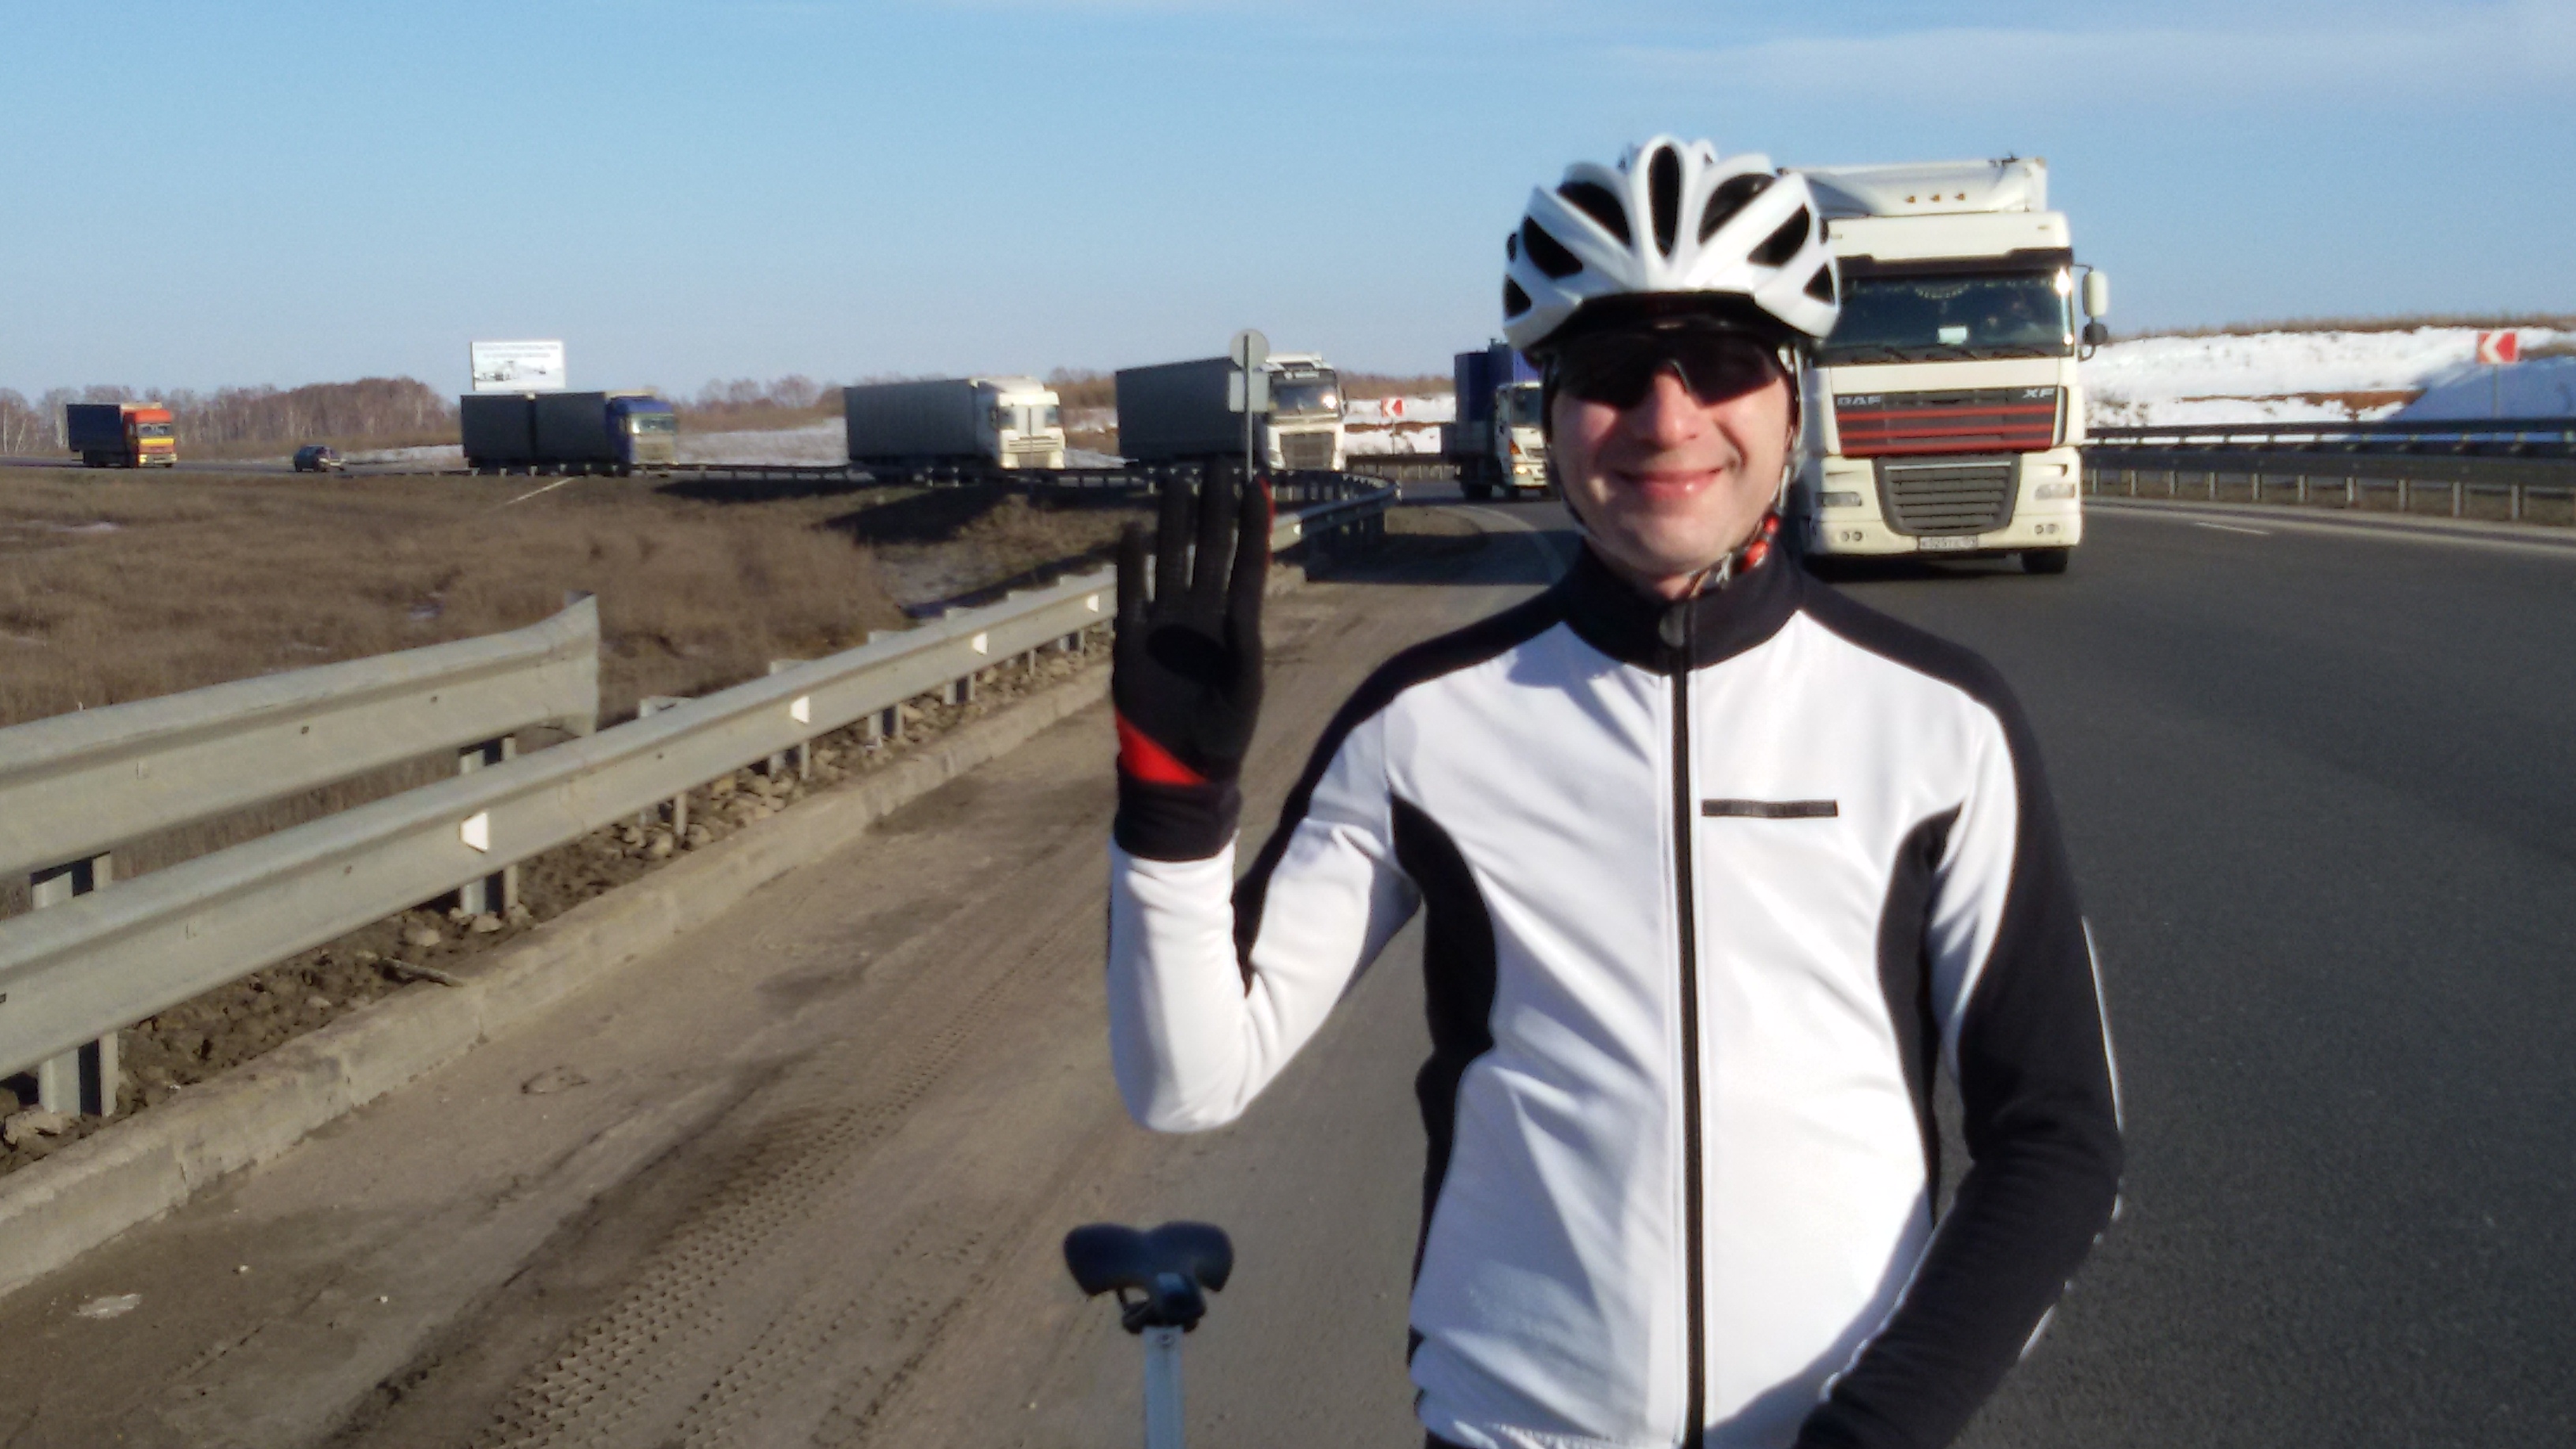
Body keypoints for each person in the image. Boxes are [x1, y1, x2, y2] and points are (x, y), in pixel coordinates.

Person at [1103, 137, 2122, 1449]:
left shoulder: (1940, 721)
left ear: (1794, 399)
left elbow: (2059, 1141)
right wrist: (1174, 812)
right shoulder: (1426, 719)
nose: (1667, 418)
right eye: (1610, 371)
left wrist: (1878, 1430)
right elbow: (1187, 1082)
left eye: (1724, 363)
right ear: (1548, 411)